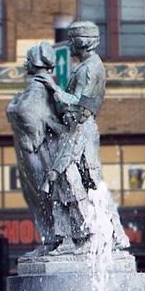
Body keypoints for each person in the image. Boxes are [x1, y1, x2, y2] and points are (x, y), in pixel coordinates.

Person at [36, 20, 130, 254]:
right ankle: (74, 238)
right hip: (76, 126)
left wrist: (53, 88)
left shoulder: (91, 68)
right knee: (74, 184)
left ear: (82, 42)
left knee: (88, 184)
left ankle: (101, 235)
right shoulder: (86, 65)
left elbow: (79, 103)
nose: (68, 43)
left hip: (81, 128)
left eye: (72, 39)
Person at [6, 43, 66, 255]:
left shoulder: (38, 87)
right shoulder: (41, 86)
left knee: (43, 196)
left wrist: (12, 106)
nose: (25, 63)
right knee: (39, 196)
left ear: (34, 63)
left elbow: (24, 111)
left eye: (28, 60)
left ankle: (55, 239)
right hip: (32, 150)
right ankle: (50, 240)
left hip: (35, 150)